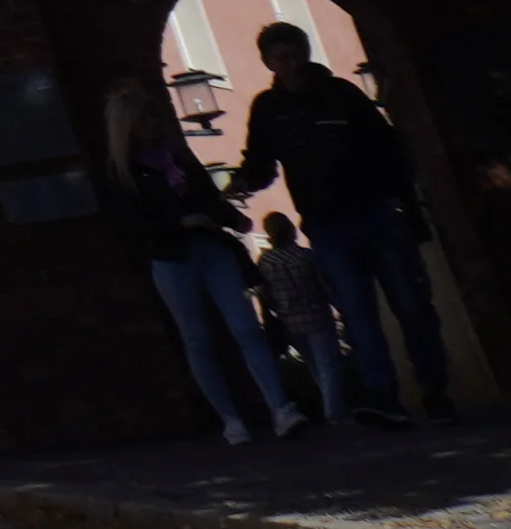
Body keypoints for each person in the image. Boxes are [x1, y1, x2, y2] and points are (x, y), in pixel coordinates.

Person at [228, 26, 456, 427]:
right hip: (326, 221)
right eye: (282, 57)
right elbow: (261, 162)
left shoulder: (343, 95)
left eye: (295, 54)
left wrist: (409, 208)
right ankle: (382, 395)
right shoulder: (269, 109)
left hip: (375, 211)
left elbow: (390, 152)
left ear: (307, 51)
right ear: (268, 62)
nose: (292, 63)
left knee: (411, 305)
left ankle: (434, 389)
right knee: (356, 310)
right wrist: (243, 183)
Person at [103, 78, 296, 446]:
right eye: (146, 120)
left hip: (211, 247)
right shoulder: (123, 173)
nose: (154, 125)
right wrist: (179, 223)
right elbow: (133, 223)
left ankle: (280, 407)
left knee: (246, 328)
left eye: (155, 117)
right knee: (197, 339)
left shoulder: (178, 156)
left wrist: (231, 217)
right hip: (172, 257)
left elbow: (206, 196)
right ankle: (230, 419)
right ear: (128, 127)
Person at [250, 209, 347, 428]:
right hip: (317, 315)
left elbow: (265, 292)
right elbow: (324, 285)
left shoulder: (265, 261)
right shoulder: (306, 256)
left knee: (314, 365)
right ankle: (334, 412)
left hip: (289, 320)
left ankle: (331, 409)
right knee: (328, 365)